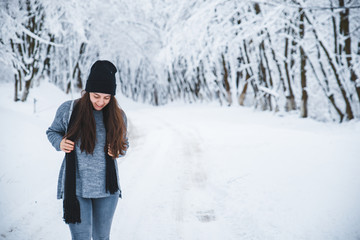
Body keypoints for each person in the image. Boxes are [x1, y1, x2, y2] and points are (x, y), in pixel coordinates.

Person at [46, 60, 129, 240]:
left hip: (107, 188)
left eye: (107, 97)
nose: (101, 102)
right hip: (76, 185)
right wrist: (60, 143)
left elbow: (124, 145)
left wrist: (117, 150)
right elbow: (52, 132)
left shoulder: (118, 115)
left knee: (101, 237)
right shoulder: (69, 110)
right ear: (88, 91)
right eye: (96, 96)